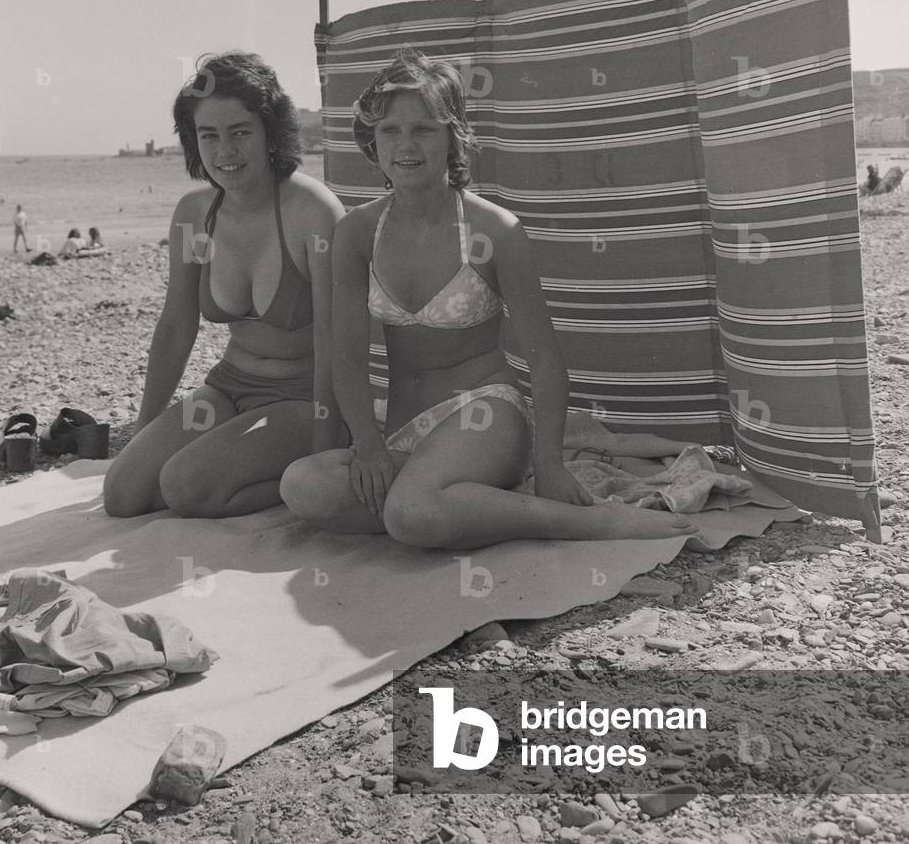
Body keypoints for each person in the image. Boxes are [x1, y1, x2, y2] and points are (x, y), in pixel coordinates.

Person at [280, 49, 699, 550]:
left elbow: (545, 360)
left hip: (485, 414)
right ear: (373, 139)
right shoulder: (358, 232)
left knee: (410, 514)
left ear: (453, 136)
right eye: (390, 130)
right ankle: (452, 505)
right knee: (303, 485)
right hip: (403, 429)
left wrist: (549, 463)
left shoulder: (494, 230)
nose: (405, 145)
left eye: (424, 129)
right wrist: (367, 444)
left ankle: (591, 523)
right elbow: (346, 358)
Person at [103, 51, 345, 519]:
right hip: (228, 389)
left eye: (240, 132)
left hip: (302, 397)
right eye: (209, 135)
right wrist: (144, 429)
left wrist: (327, 439)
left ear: (270, 132)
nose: (225, 151)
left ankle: (288, 480)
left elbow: (338, 337)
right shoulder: (195, 215)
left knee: (183, 485)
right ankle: (231, 466)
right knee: (123, 494)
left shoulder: (312, 211)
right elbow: (176, 324)